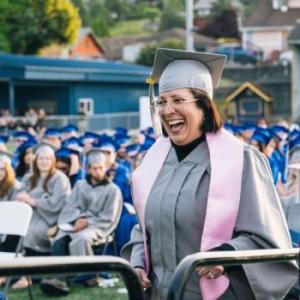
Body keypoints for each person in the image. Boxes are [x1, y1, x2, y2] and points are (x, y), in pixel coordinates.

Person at [121, 48, 298, 300]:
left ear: (204, 106)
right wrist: (138, 263)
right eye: (162, 101)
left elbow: (267, 237)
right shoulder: (154, 161)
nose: (167, 110)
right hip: (162, 293)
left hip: (217, 293)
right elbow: (144, 227)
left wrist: (225, 254)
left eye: (178, 100)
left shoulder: (240, 160)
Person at [40, 149, 123, 296]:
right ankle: (58, 278)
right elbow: (70, 206)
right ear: (88, 169)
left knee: (81, 238)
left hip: (99, 226)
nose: (97, 171)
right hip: (76, 223)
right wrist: (77, 220)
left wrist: (86, 221)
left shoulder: (113, 190)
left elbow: (109, 217)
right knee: (61, 235)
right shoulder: (80, 185)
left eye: (100, 168)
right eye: (94, 168)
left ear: (106, 168)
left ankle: (86, 276)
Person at [13, 142, 71, 288]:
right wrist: (21, 197)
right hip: (29, 215)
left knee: (31, 232)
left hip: (51, 218)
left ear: (53, 161)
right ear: (35, 160)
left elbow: (58, 203)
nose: (44, 162)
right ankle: (13, 273)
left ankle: (27, 276)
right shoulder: (29, 177)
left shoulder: (59, 178)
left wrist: (33, 201)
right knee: (15, 232)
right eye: (40, 159)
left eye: (47, 159)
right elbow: (19, 194)